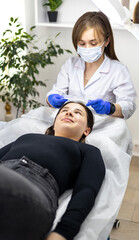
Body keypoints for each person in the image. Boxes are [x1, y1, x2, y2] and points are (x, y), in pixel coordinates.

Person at [0, 101, 105, 240]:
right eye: (64, 110)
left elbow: (87, 190)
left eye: (77, 112)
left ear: (86, 130)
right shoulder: (27, 137)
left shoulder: (88, 151)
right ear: (54, 123)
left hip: (35, 189)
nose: (69, 112)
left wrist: (63, 232)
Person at [46, 11, 136, 120]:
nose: (87, 48)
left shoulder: (118, 70)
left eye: (93, 43)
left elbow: (129, 106)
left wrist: (110, 108)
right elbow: (57, 91)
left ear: (106, 41)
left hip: (101, 127)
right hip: (71, 125)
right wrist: (51, 98)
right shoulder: (70, 64)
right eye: (82, 43)